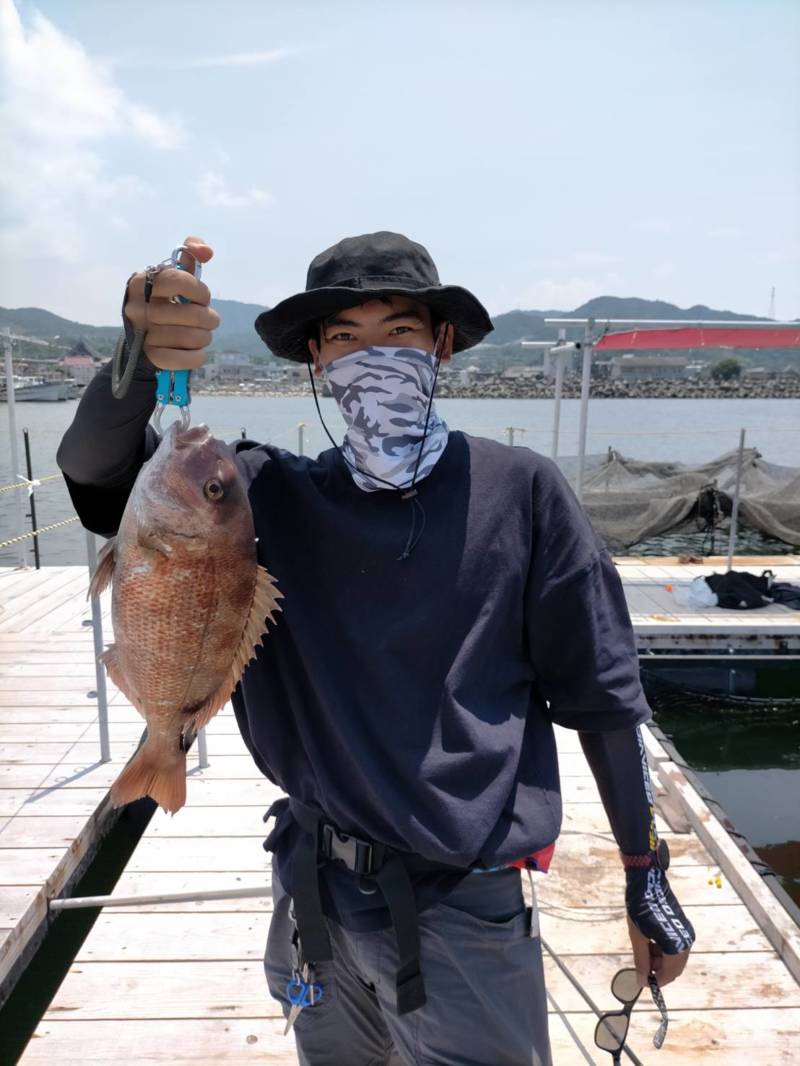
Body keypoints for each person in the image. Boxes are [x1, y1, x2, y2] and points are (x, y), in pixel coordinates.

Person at [58, 230, 695, 1066]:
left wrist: (644, 867)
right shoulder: (266, 498)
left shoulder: (524, 491)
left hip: (467, 912)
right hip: (311, 896)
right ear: (317, 361)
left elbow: (605, 698)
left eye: (398, 332)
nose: (373, 357)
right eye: (346, 338)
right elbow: (101, 477)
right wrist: (138, 363)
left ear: (440, 346)